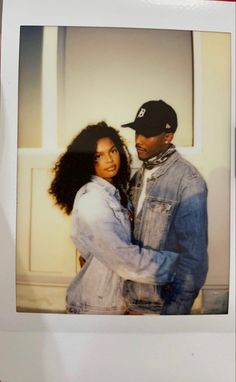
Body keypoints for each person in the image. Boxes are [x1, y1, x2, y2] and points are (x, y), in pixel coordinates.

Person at [49, 121, 179, 315]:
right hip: (96, 307)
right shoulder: (93, 201)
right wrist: (178, 265)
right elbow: (122, 257)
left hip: (111, 301)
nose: (109, 160)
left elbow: (100, 255)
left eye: (113, 151)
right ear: (87, 161)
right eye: (98, 156)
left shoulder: (115, 194)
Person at [121, 100, 208, 315]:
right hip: (126, 301)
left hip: (159, 308)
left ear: (168, 137)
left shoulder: (189, 182)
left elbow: (194, 261)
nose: (138, 141)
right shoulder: (138, 176)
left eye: (147, 134)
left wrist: (172, 317)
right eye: (137, 132)